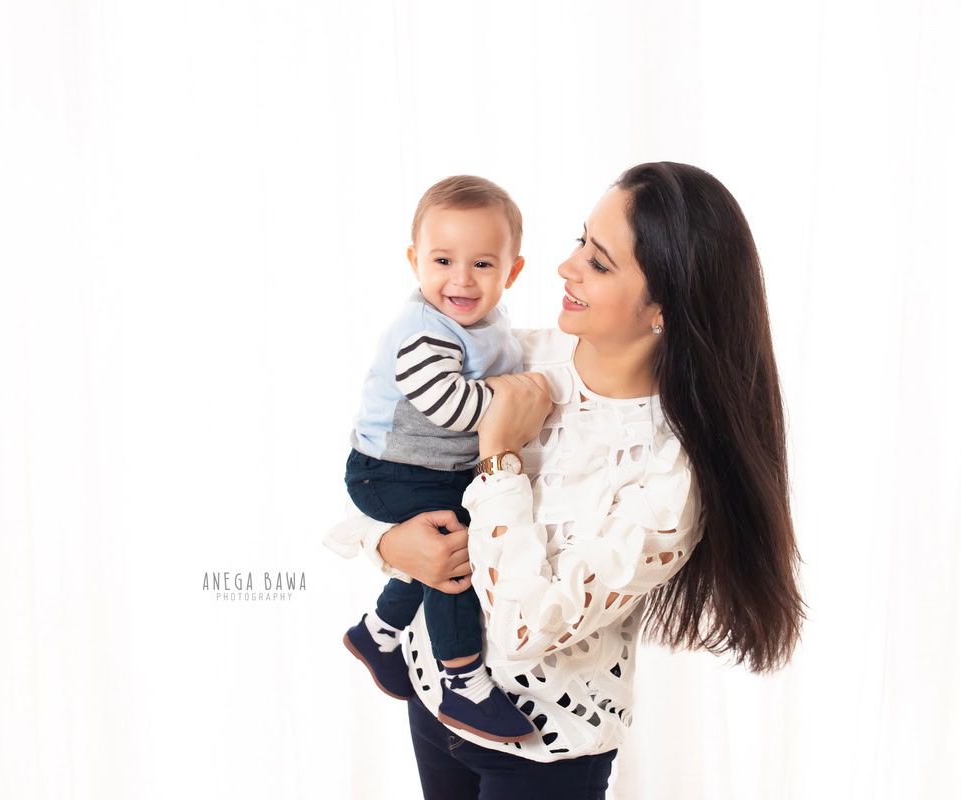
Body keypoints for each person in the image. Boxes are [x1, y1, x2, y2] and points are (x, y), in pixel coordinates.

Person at [323, 161, 806, 799]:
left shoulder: (670, 472)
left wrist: (498, 454)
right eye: (582, 241)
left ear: (664, 306)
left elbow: (529, 625)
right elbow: (386, 460)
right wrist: (390, 543)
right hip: (432, 691)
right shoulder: (511, 356)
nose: (565, 266)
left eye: (599, 263)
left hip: (542, 745)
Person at [339, 174, 535, 742]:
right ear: (414, 260)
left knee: (444, 543)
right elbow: (453, 407)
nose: (461, 279)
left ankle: (377, 632)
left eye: (482, 265)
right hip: (389, 470)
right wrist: (516, 401)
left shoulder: (489, 324)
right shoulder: (421, 334)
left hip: (432, 469)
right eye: (443, 260)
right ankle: (463, 681)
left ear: (512, 271)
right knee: (457, 550)